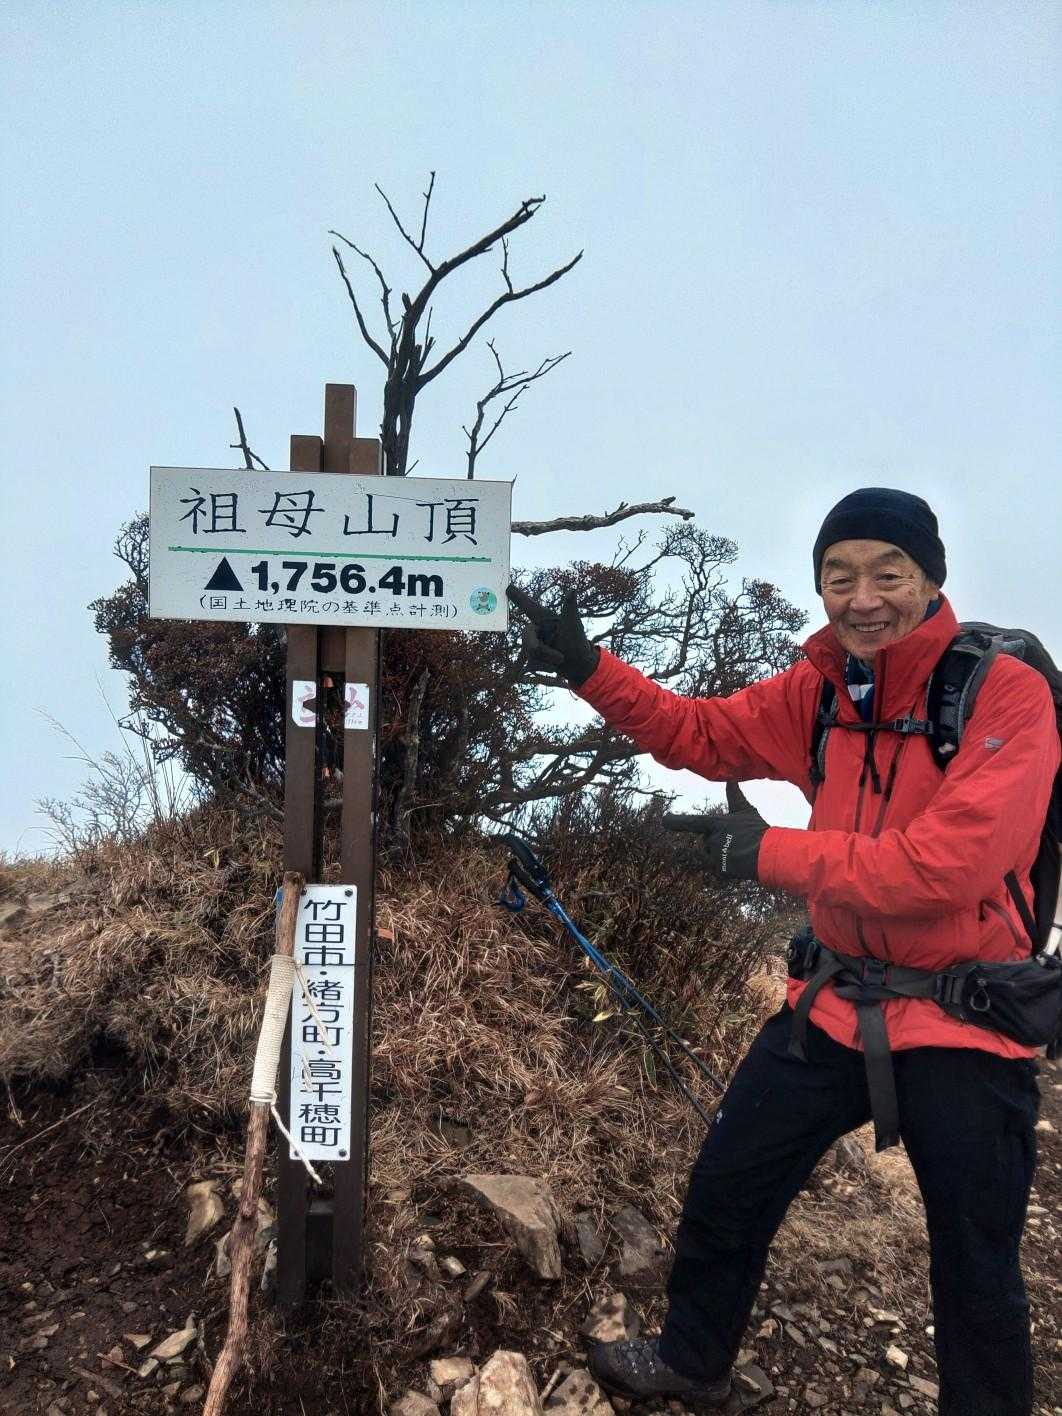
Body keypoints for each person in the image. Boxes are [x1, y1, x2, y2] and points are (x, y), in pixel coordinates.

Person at [508, 488, 1058, 1416]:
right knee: (730, 1185)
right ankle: (694, 1359)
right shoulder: (822, 691)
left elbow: (947, 867)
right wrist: (591, 670)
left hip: (966, 1019)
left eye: (889, 574)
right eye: (839, 577)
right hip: (835, 1004)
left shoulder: (1004, 693)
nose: (863, 598)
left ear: (932, 581)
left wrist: (764, 854)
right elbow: (699, 733)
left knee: (976, 1261)